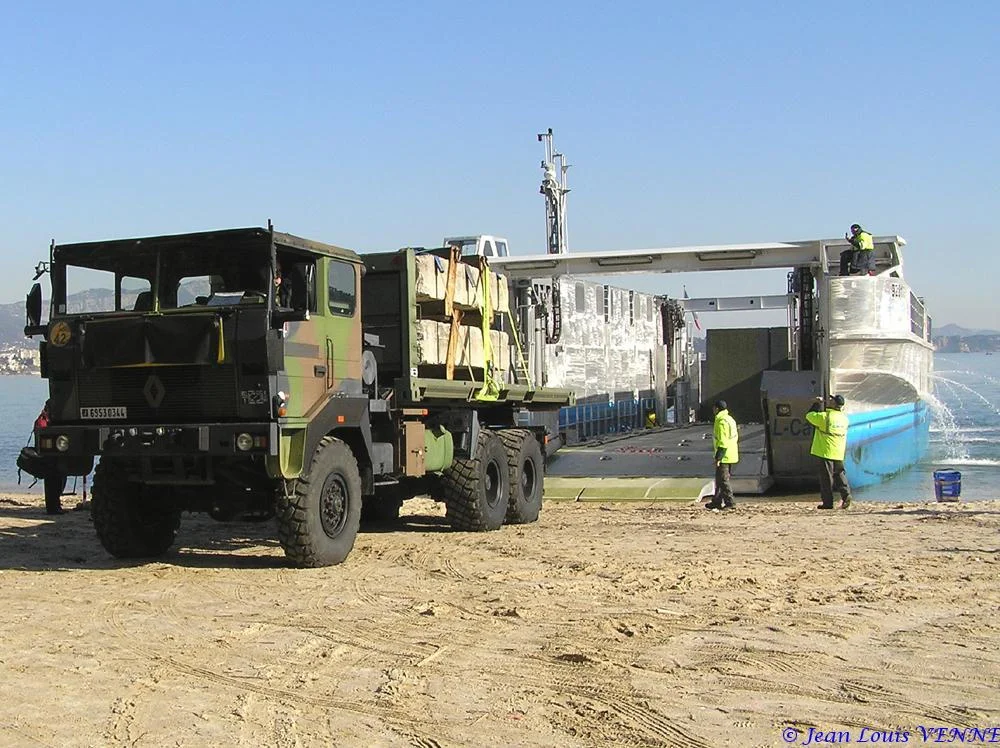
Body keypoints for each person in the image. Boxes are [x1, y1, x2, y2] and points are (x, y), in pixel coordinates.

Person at [805, 394, 853, 509]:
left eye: (831, 400)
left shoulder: (825, 417)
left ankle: (828, 503)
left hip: (825, 451)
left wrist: (817, 404)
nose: (830, 400)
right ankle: (846, 496)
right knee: (840, 475)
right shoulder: (844, 419)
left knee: (826, 479)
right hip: (839, 451)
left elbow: (809, 416)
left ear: (834, 404)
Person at [34, 400, 66, 515]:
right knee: (54, 483)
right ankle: (53, 508)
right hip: (50, 458)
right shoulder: (44, 421)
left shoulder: (43, 420)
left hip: (51, 457)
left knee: (55, 482)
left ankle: (55, 506)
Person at [706, 399, 739, 510]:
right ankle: (716, 501)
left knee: (723, 480)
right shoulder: (730, 419)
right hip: (731, 453)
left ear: (716, 408)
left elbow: (723, 441)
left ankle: (730, 503)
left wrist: (718, 457)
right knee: (719, 480)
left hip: (725, 455)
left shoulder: (721, 421)